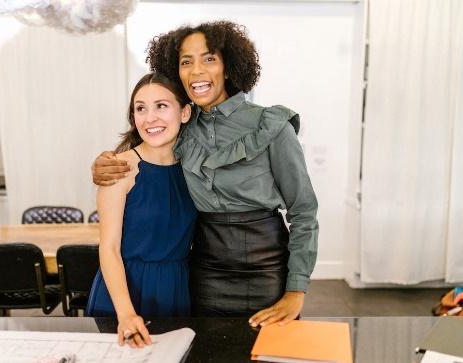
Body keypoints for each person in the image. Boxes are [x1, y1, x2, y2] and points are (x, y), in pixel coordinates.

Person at [92, 20, 318, 328]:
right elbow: (146, 147)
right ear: (177, 71)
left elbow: (304, 211)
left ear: (228, 67)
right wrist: (104, 164)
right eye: (186, 61)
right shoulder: (181, 122)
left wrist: (296, 290)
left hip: (266, 267)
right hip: (203, 269)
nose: (196, 70)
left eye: (209, 58)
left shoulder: (270, 125)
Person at [86, 73, 197, 348]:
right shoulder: (121, 168)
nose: (150, 118)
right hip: (124, 293)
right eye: (140, 108)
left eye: (161, 106)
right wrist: (126, 313)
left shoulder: (195, 169)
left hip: (176, 288)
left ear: (184, 112)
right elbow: (108, 248)